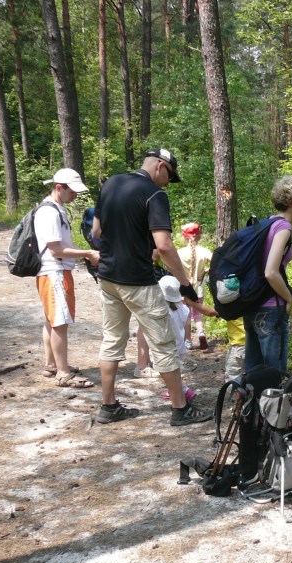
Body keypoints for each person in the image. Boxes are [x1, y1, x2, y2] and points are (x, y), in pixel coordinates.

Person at [92, 148, 212, 426]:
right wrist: (185, 283)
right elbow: (165, 245)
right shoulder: (154, 194)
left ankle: (108, 406)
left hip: (109, 278)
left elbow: (97, 231)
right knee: (164, 343)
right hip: (139, 282)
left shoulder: (111, 184)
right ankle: (180, 409)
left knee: (112, 340)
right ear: (160, 166)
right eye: (170, 175)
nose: (168, 182)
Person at [244, 175, 292, 375]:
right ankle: (269, 406)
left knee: (253, 369)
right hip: (270, 309)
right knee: (273, 373)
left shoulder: (267, 223)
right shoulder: (283, 228)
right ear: (291, 202)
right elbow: (270, 272)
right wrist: (289, 298)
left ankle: (250, 405)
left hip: (253, 305)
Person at [35, 168, 100, 388]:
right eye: (72, 191)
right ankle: (63, 373)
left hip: (56, 271)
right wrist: (88, 253)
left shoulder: (57, 209)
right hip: (54, 271)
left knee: (52, 321)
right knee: (60, 322)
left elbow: (64, 245)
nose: (76, 195)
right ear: (59, 187)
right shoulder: (50, 212)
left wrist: (85, 253)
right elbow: (56, 250)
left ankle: (51, 365)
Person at [156, 276, 218, 401]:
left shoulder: (163, 312)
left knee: (165, 370)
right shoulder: (182, 308)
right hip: (180, 345)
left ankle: (183, 390)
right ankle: (174, 390)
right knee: (174, 370)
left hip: (168, 346)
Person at [177, 222, 212, 350]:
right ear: (199, 236)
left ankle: (188, 341)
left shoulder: (179, 253)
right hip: (198, 290)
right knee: (197, 314)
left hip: (183, 289)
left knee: (186, 315)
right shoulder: (204, 251)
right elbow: (216, 263)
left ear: (184, 237)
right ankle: (201, 333)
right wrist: (206, 271)